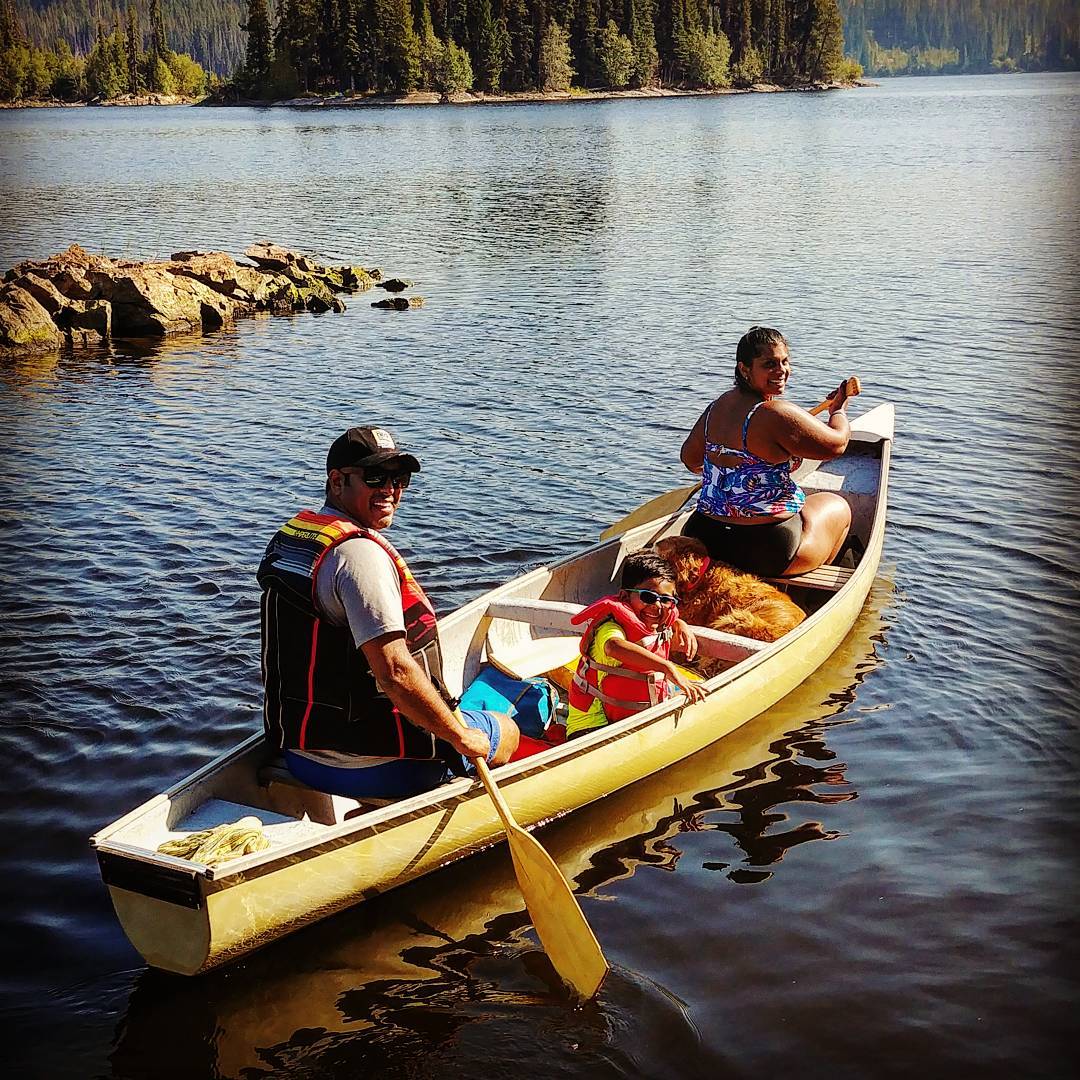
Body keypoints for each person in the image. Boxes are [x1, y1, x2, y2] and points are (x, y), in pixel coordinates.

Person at [257, 425, 520, 799]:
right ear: (337, 481)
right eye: (375, 476)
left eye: (400, 479)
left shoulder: (297, 539)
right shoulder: (360, 557)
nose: (390, 490)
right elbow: (395, 672)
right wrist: (461, 736)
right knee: (506, 729)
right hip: (374, 763)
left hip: (298, 751)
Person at [679, 326, 853, 578]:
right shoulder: (775, 413)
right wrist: (838, 411)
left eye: (785, 361)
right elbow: (837, 444)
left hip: (705, 536)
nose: (781, 370)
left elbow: (690, 460)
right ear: (744, 369)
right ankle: (799, 593)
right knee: (837, 506)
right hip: (764, 548)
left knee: (805, 505)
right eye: (769, 364)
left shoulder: (717, 407)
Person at [566, 550, 706, 739]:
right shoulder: (610, 627)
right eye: (648, 597)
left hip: (632, 715)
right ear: (624, 597)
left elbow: (666, 616)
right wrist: (667, 667)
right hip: (593, 728)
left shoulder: (658, 619)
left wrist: (679, 623)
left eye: (666, 600)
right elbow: (614, 647)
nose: (656, 606)